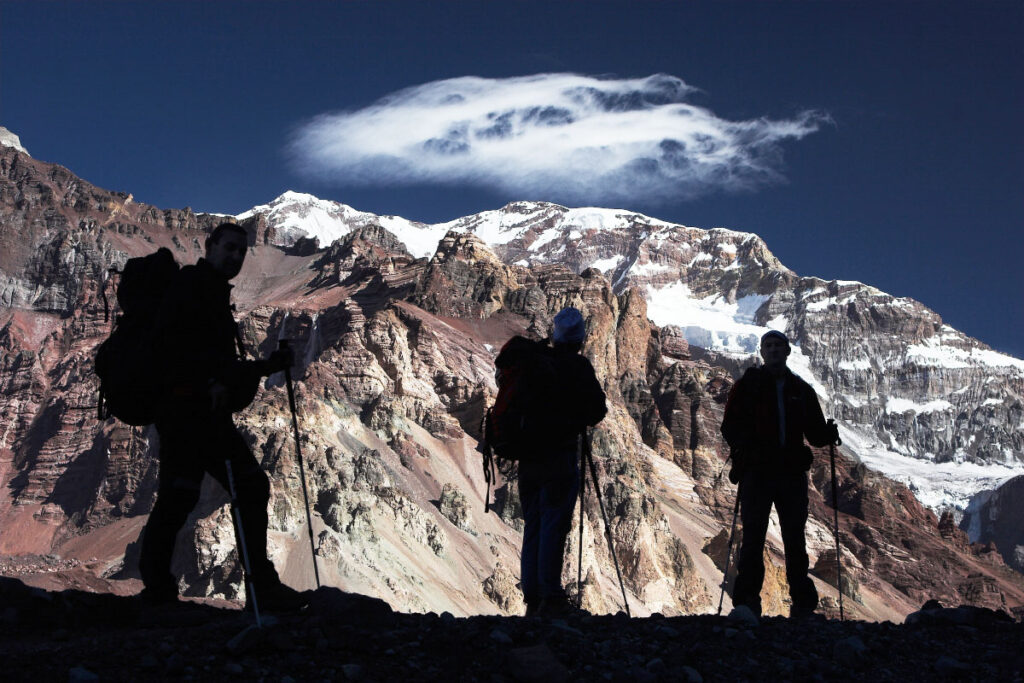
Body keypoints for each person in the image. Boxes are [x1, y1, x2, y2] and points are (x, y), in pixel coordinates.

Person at [138, 222, 304, 611]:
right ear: (210, 245)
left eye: (241, 252)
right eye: (229, 248)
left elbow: (218, 365)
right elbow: (180, 351)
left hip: (191, 414)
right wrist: (212, 380)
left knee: (180, 497)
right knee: (244, 486)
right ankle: (260, 590)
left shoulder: (207, 291)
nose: (235, 257)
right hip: (192, 414)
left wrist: (263, 368)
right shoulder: (194, 290)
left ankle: (158, 591)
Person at [720, 330, 839, 619]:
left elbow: (814, 433)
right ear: (762, 352)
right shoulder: (749, 386)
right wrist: (745, 448)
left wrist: (827, 433)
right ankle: (752, 601)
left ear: (787, 352)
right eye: (768, 346)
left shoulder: (800, 389)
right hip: (759, 471)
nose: (773, 350)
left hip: (788, 473)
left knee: (794, 539)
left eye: (777, 346)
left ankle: (794, 604)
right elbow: (729, 427)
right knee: (754, 538)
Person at [507, 307, 607, 617]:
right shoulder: (577, 367)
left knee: (534, 524)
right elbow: (597, 412)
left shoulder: (536, 363)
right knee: (554, 523)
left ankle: (533, 597)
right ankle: (550, 596)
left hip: (528, 460)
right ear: (580, 339)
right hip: (559, 457)